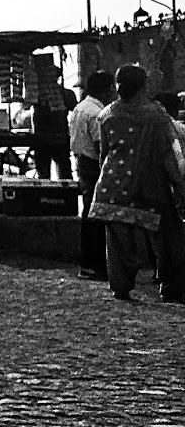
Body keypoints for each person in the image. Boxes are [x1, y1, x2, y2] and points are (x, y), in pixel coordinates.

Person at [91, 64, 185, 302]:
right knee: (168, 237)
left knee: (118, 242)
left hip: (112, 186)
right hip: (149, 186)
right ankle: (169, 285)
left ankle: (120, 286)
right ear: (144, 86)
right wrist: (179, 184)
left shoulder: (107, 114)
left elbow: (104, 155)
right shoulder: (157, 115)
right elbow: (168, 154)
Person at [69, 70, 114, 279]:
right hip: (94, 164)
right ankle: (95, 263)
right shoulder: (97, 113)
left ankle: (88, 263)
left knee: (89, 214)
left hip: (82, 162)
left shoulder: (80, 108)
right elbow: (100, 145)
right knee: (97, 215)